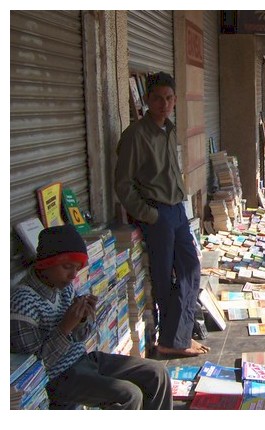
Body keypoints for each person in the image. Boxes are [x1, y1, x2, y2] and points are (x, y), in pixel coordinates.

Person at [10, 225, 173, 409]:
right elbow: (34, 371)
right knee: (128, 395)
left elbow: (79, 338)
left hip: (82, 360)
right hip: (58, 377)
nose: (73, 275)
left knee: (157, 372)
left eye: (77, 268)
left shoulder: (63, 287)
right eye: (66, 267)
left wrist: (85, 318)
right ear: (45, 264)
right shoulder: (22, 303)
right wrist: (65, 328)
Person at [115, 72, 209, 357]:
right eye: (158, 98)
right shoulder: (135, 135)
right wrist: (149, 215)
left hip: (178, 211)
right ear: (147, 100)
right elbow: (123, 184)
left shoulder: (169, 129)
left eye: (169, 99)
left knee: (191, 269)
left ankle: (178, 336)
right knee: (164, 278)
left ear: (175, 101)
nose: (164, 104)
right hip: (157, 215)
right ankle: (170, 341)